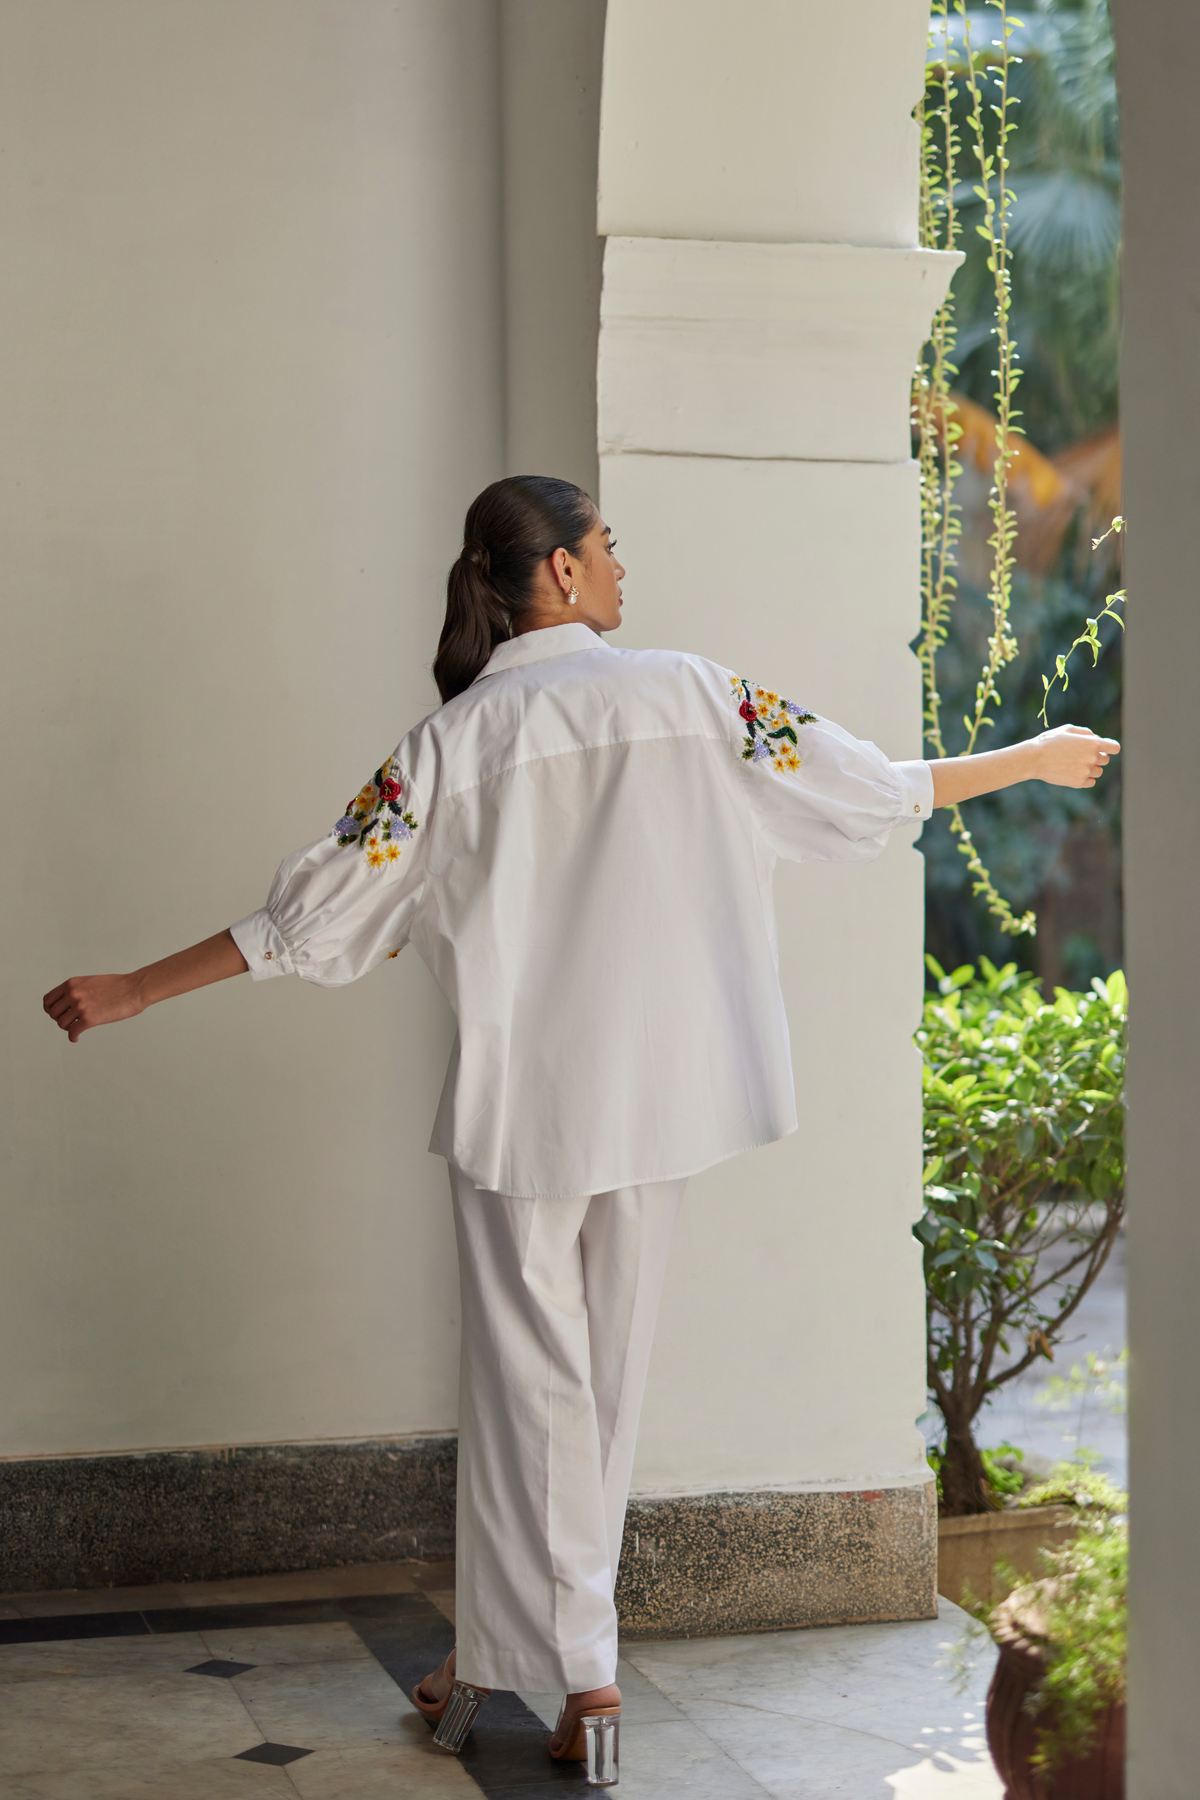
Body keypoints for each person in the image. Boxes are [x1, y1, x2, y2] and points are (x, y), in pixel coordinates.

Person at [43, 475, 1119, 1783]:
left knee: (534, 1395)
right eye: (609, 547)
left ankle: (586, 1678)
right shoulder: (697, 693)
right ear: (558, 570)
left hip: (526, 1114)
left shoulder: (451, 745)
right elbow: (868, 791)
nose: (622, 568)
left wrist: (138, 988)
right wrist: (1025, 760)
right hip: (662, 1101)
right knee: (587, 1398)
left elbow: (315, 920)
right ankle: (492, 1664)